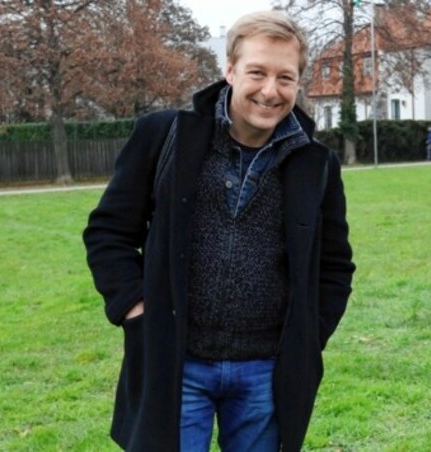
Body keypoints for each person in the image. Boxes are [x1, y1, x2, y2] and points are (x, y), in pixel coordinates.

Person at [83, 11, 355, 452]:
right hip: (176, 363)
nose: (271, 90)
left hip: (265, 372)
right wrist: (137, 310)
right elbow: (108, 232)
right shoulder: (164, 136)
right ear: (229, 70)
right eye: (257, 72)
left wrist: (307, 335)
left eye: (286, 77)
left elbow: (334, 265)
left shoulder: (316, 164)